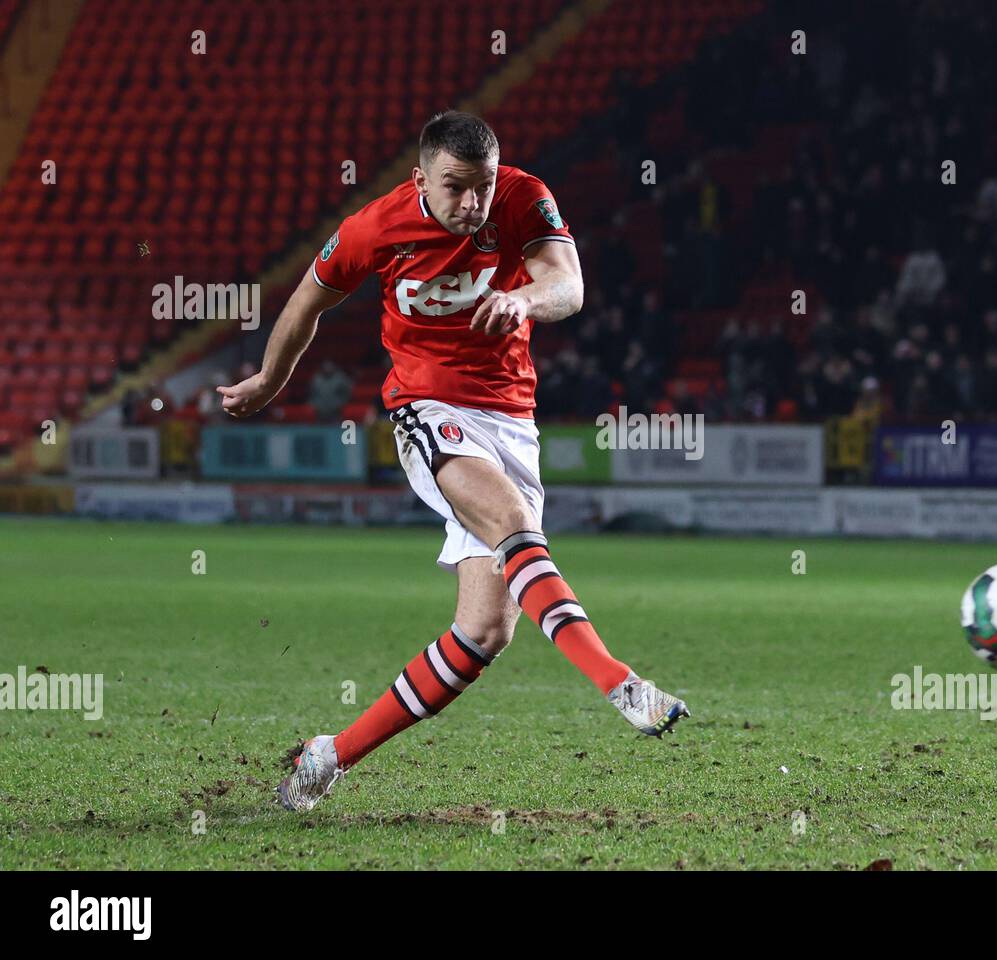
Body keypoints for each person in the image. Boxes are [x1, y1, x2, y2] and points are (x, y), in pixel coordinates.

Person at [216, 111, 689, 813]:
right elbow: (306, 303)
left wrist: (521, 297)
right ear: (420, 180)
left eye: (484, 187)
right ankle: (621, 684)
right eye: (457, 187)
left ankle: (329, 756)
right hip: (427, 409)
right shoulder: (375, 227)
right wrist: (268, 380)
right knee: (509, 524)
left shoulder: (526, 197)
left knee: (485, 633)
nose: (473, 203)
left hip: (511, 420)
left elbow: (569, 285)